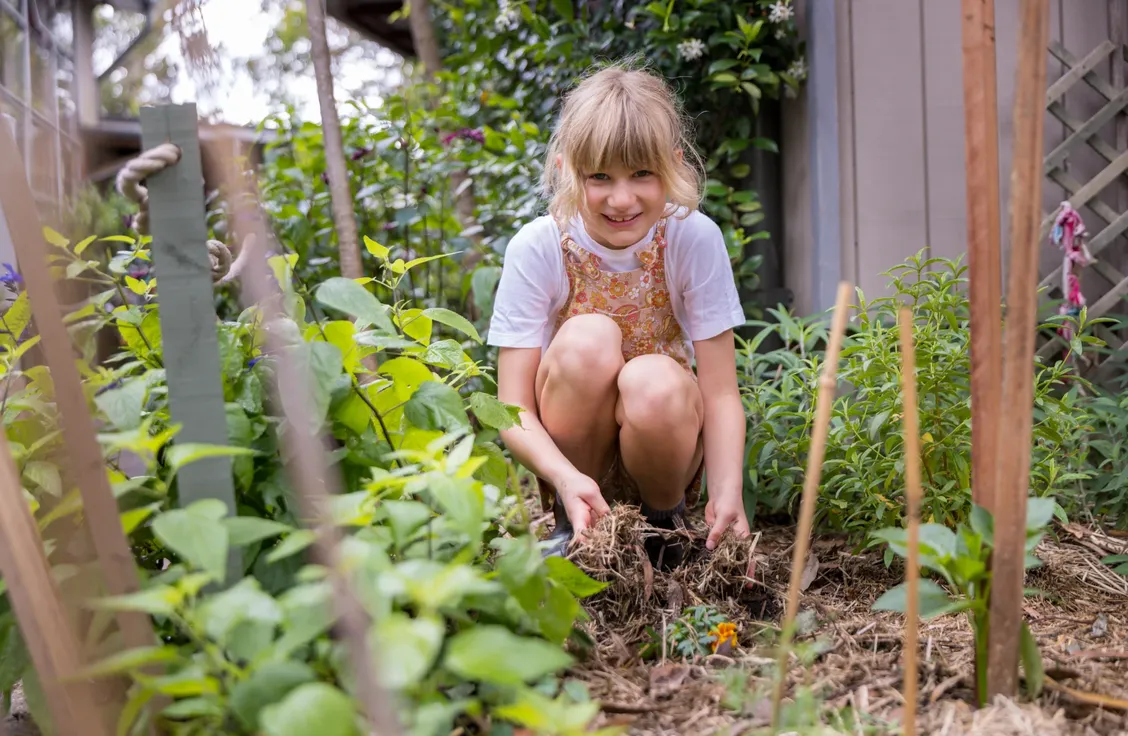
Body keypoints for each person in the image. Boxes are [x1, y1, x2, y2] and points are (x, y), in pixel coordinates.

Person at [488, 62, 751, 568]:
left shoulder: (692, 238)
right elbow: (512, 406)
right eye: (600, 176)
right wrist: (564, 478)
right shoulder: (540, 247)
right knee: (586, 339)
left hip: (665, 451)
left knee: (651, 377)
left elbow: (719, 391)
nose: (622, 198)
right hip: (572, 464)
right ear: (567, 170)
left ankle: (664, 531)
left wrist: (727, 490)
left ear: (672, 166)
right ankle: (576, 531)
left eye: (642, 174)